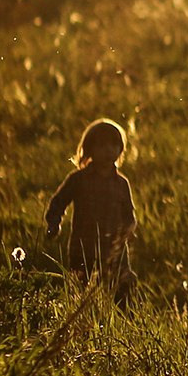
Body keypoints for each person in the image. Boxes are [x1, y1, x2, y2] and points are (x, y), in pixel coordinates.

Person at [44, 117, 136, 301]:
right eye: (101, 145)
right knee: (80, 295)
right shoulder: (78, 179)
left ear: (120, 149)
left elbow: (129, 216)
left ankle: (120, 326)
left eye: (113, 145)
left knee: (121, 293)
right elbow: (58, 203)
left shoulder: (121, 184)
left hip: (114, 252)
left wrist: (126, 236)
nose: (108, 150)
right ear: (90, 149)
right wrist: (54, 223)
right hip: (82, 249)